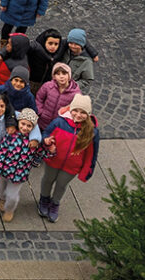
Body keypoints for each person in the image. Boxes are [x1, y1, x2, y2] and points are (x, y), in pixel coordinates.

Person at [38, 94, 100, 223]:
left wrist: (86, 171)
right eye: (75, 110)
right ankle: (44, 199)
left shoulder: (92, 132)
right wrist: (47, 141)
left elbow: (92, 154)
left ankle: (55, 203)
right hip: (53, 160)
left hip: (72, 166)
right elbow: (46, 134)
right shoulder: (59, 122)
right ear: (70, 109)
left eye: (82, 112)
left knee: (61, 184)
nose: (78, 115)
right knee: (47, 180)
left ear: (88, 114)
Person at [0, 108, 56, 222]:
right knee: (0, 189)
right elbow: (0, 153)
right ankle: (2, 198)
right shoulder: (10, 136)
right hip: (4, 171)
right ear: (18, 122)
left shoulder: (34, 142)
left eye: (29, 126)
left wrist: (50, 151)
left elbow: (40, 154)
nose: (25, 128)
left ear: (33, 128)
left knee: (12, 196)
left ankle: (9, 209)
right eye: (23, 124)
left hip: (19, 175)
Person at [35, 63, 81, 131]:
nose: (61, 76)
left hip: (59, 126)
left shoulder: (75, 93)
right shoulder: (47, 86)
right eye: (58, 74)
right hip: (42, 122)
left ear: (69, 76)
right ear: (54, 76)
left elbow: (76, 109)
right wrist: (41, 112)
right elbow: (39, 99)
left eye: (64, 74)